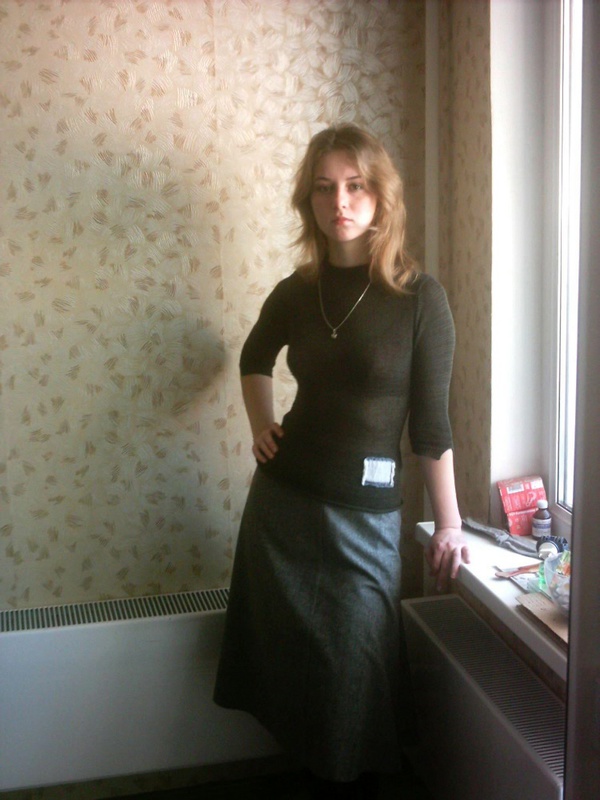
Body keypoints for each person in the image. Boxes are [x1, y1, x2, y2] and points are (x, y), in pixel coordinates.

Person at [213, 124, 470, 799]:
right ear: (310, 201)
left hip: (364, 520)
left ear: (381, 196)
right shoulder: (296, 290)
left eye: (355, 186)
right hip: (282, 511)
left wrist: (449, 524)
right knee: (292, 680)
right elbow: (253, 357)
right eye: (325, 188)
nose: (340, 202)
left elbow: (431, 427)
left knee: (355, 683)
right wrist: (262, 425)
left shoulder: (421, 299)